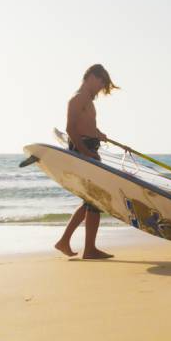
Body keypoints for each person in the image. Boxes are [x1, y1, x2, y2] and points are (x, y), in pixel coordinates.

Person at [54, 64, 119, 260]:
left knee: (91, 201)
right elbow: (71, 130)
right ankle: (88, 249)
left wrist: (98, 134)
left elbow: (87, 126)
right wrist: (86, 153)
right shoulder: (78, 98)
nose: (100, 89)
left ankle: (67, 242)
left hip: (89, 149)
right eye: (101, 84)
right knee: (94, 201)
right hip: (83, 151)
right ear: (92, 77)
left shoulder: (87, 101)